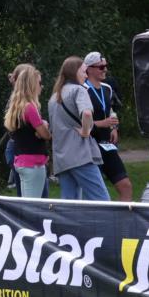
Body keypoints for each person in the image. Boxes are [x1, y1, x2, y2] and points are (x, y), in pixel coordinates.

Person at [47, 56, 110, 201]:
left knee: (70, 203)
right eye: (83, 71)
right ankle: (107, 224)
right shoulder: (79, 90)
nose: (86, 75)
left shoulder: (54, 97)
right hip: (80, 155)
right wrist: (85, 131)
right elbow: (87, 113)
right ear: (74, 72)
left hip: (62, 158)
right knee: (102, 200)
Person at [83, 51, 132, 201]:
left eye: (106, 66)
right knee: (95, 194)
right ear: (89, 69)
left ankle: (121, 223)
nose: (105, 69)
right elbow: (78, 122)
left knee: (126, 185)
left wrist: (113, 127)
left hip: (107, 144)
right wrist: (101, 124)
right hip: (89, 145)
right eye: (101, 67)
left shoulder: (107, 88)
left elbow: (111, 109)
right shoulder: (82, 89)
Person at [3, 63, 51, 198]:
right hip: (33, 163)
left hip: (22, 160)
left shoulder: (17, 106)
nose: (41, 86)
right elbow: (45, 135)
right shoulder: (30, 108)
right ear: (31, 84)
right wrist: (44, 126)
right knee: (34, 206)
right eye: (39, 82)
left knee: (26, 203)